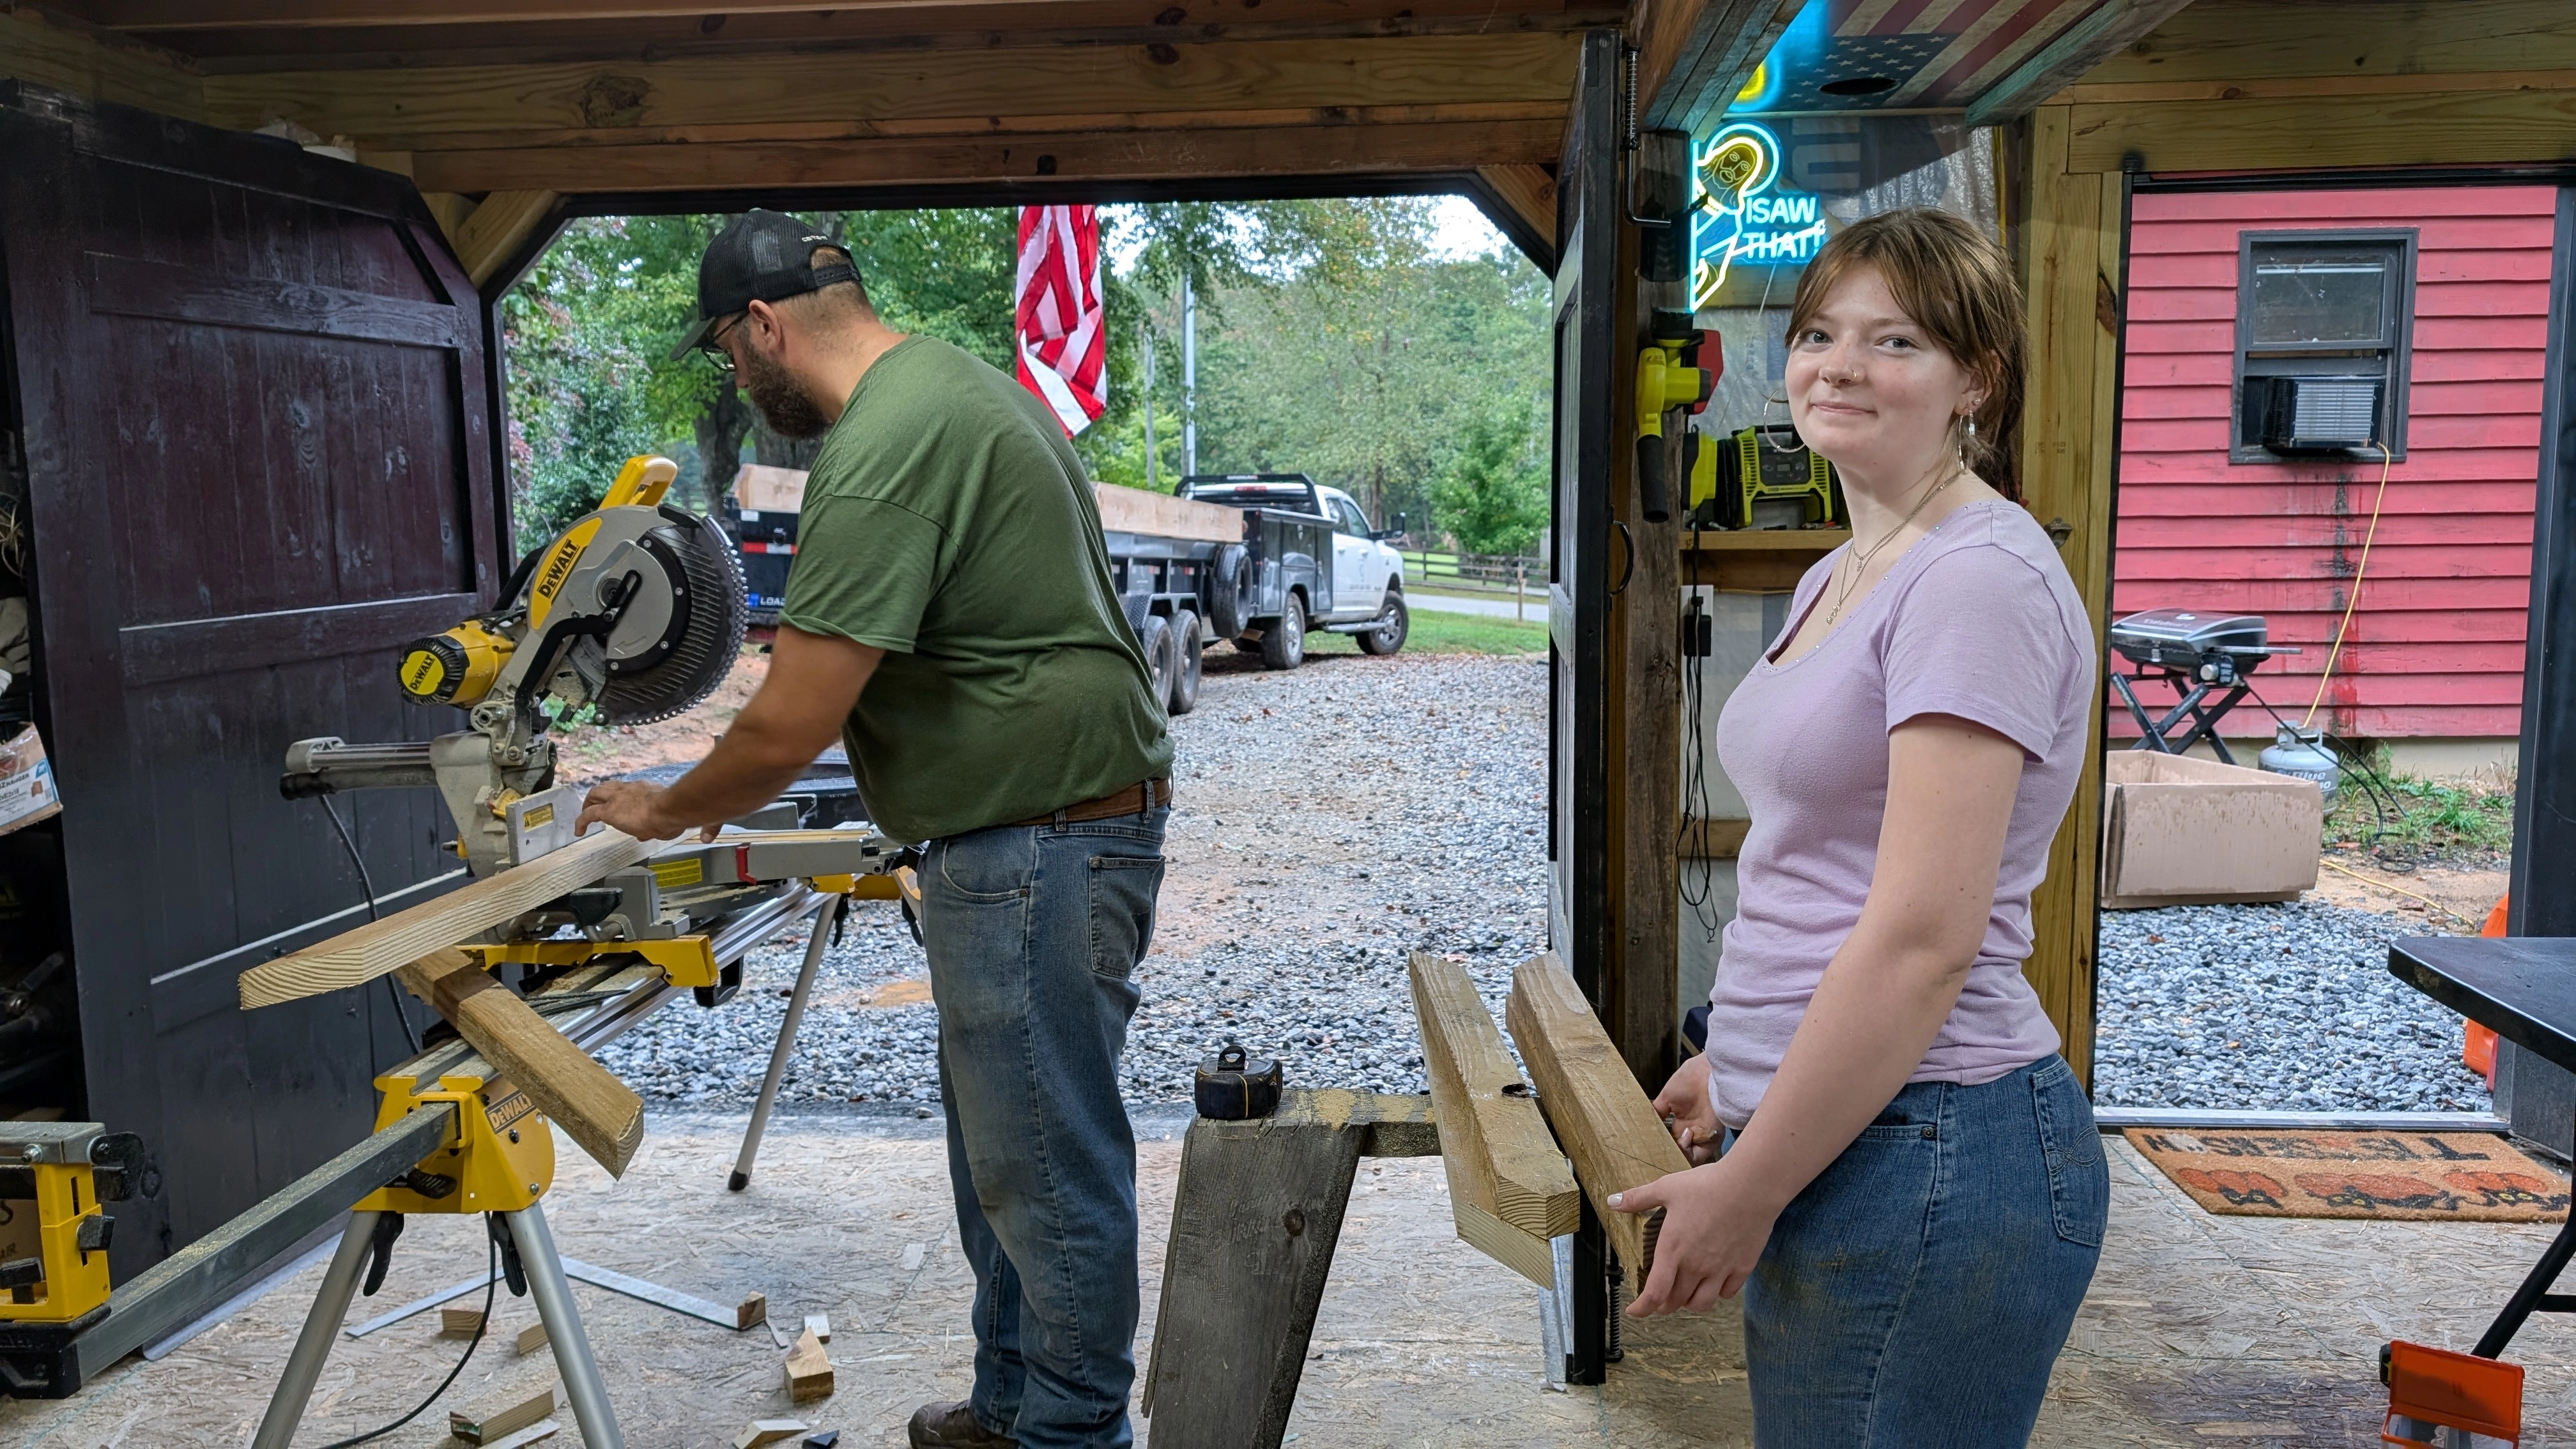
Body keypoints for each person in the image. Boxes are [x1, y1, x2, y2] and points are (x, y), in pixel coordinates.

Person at [576, 209, 1174, 1449]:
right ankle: (1016, 1407)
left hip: (1036, 841)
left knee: (1048, 1169)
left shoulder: (887, 442)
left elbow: (792, 720)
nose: (737, 380)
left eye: (731, 356)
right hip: (1034, 831)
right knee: (1004, 1155)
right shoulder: (955, 385)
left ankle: (1072, 1434)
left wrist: (658, 810)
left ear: (766, 324)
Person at [1611, 208, 2106, 1445]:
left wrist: (1750, 1185)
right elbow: (1824, 869)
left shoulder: (1973, 582)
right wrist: (1745, 1062)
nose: (1839, 363)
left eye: (1894, 340)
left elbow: (1924, 939)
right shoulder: (1852, 567)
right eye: (1820, 332)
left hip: (1935, 1147)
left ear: (1973, 382)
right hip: (1848, 1129)